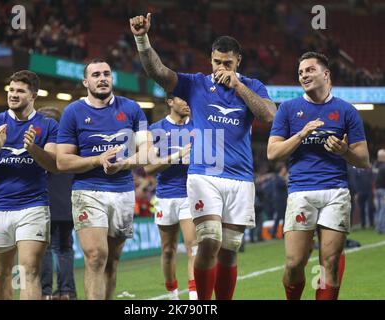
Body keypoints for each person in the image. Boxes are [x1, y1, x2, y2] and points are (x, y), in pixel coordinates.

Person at [130, 13, 277, 300]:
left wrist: (237, 85)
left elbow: (268, 115)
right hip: (204, 173)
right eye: (217, 62)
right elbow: (157, 71)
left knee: (230, 249)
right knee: (209, 239)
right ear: (210, 60)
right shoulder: (195, 84)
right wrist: (141, 38)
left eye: (228, 63)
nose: (221, 68)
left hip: (241, 177)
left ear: (238, 62)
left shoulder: (252, 86)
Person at [267, 52, 370, 300]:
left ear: (326, 74)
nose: (304, 75)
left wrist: (345, 151)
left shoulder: (346, 111)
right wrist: (301, 134)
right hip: (301, 192)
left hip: (336, 191)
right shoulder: (289, 109)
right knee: (294, 263)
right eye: (301, 72)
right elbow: (273, 152)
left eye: (310, 70)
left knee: (330, 262)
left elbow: (364, 160)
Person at [56, 59, 150, 300]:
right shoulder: (73, 112)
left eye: (107, 73)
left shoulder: (131, 108)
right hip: (88, 191)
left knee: (112, 261)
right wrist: (98, 160)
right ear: (86, 82)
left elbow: (149, 151)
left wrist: (124, 164)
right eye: (96, 74)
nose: (102, 78)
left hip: (123, 192)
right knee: (96, 256)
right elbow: (62, 161)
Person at [0, 70, 59, 300]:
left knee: (29, 270)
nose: (13, 95)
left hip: (33, 206)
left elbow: (55, 164)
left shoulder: (47, 125)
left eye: (20, 91)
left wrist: (32, 149)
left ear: (33, 95)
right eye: (11, 90)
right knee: (0, 274)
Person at [144, 95, 197, 300]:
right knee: (168, 250)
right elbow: (148, 167)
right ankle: (172, 295)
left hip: (190, 195)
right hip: (166, 196)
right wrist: (176, 156)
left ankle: (194, 299)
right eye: (182, 99)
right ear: (170, 102)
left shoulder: (197, 126)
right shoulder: (155, 129)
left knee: (194, 246)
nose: (187, 103)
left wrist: (196, 160)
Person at [37, 106, 77, 300]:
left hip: (45, 206)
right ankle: (66, 292)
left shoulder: (38, 146)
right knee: (65, 249)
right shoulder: (70, 145)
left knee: (44, 250)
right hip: (68, 207)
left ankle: (45, 293)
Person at [374, 149, 385, 234]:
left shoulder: (375, 165)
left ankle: (378, 226)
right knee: (383, 209)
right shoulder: (383, 166)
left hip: (376, 189)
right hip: (382, 190)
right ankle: (381, 228)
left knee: (378, 209)